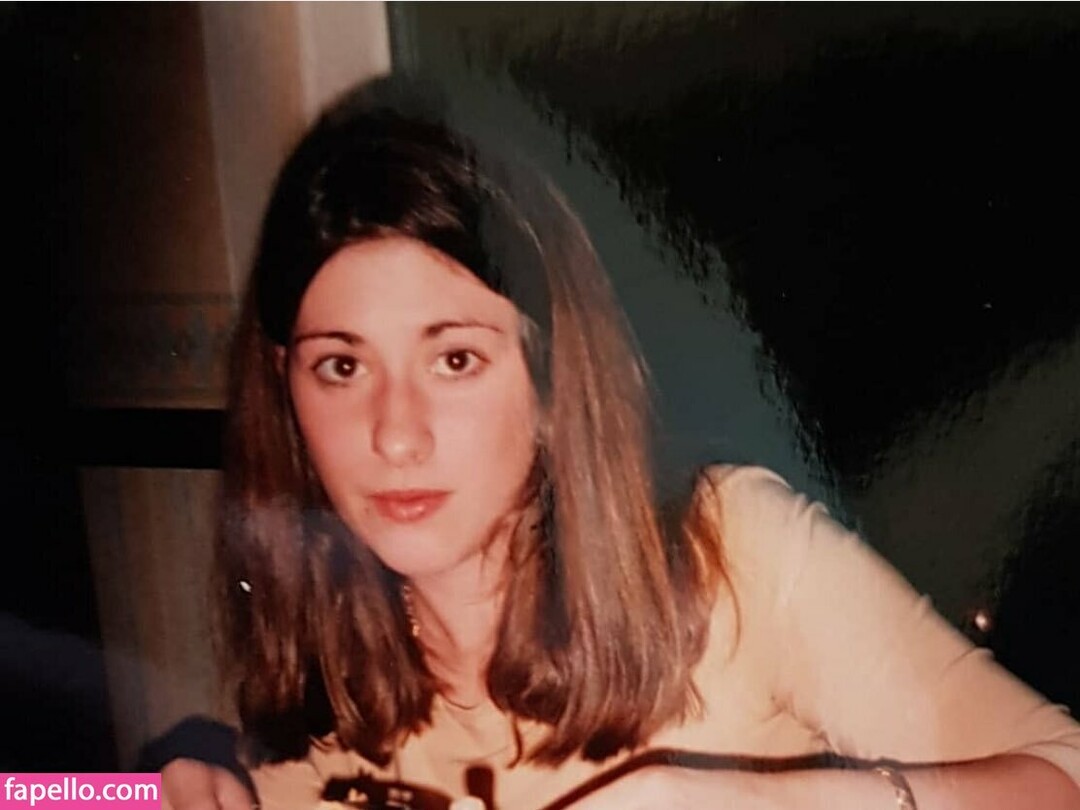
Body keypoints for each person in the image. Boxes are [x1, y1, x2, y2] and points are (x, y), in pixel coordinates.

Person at [161, 82, 1080, 810]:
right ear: (284, 385)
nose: (395, 434)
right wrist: (131, 791)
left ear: (552, 374)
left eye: (455, 359)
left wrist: (769, 805)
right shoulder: (320, 660)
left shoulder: (730, 553)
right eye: (341, 367)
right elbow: (78, 796)